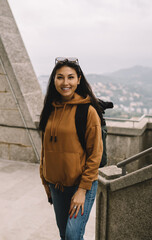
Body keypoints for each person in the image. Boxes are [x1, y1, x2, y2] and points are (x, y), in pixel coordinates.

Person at [39, 57, 103, 240]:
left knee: (73, 235)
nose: (65, 82)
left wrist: (82, 190)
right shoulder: (50, 109)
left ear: (79, 79)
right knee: (64, 236)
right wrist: (45, 180)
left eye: (70, 77)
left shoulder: (87, 111)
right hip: (56, 185)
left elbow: (95, 154)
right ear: (54, 80)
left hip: (81, 185)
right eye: (60, 77)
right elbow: (45, 148)